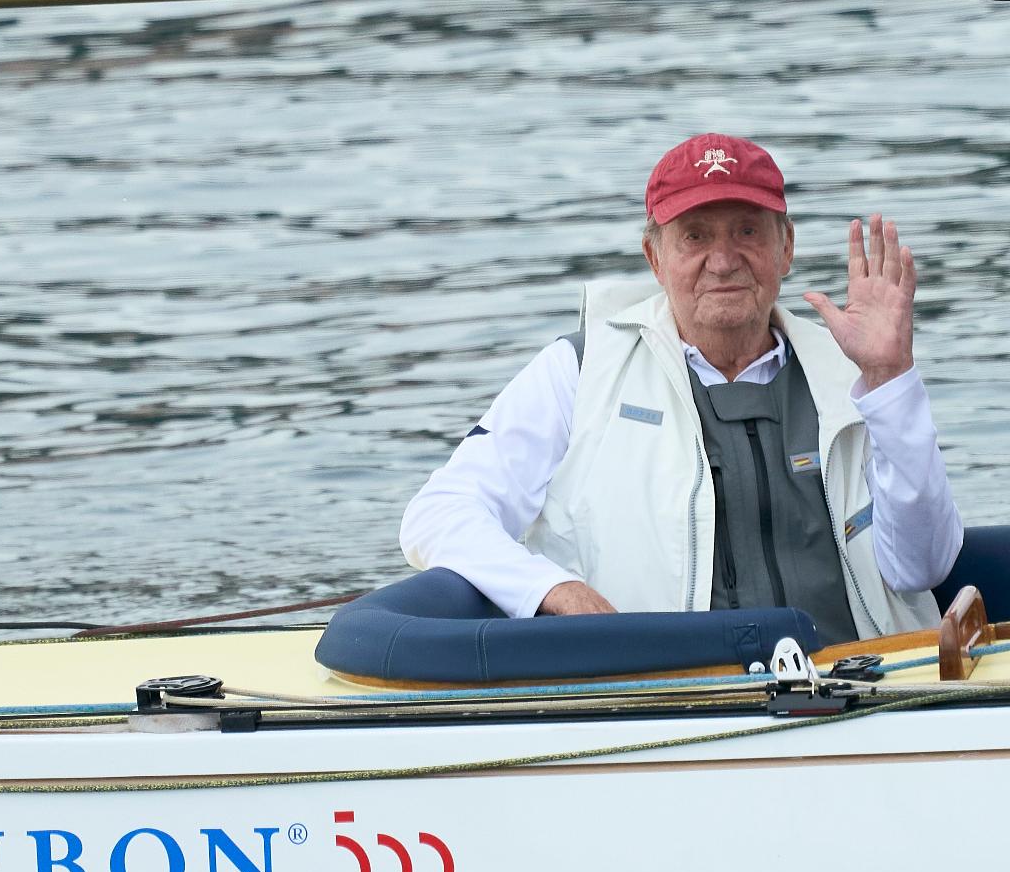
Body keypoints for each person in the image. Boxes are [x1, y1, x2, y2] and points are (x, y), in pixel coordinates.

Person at [399, 134, 962, 644]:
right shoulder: (579, 369)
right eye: (695, 237)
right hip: (666, 705)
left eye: (747, 231)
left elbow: (922, 568)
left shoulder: (859, 372)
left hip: (869, 693)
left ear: (784, 248)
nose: (723, 260)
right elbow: (439, 514)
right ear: (655, 258)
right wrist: (553, 590)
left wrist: (892, 382)